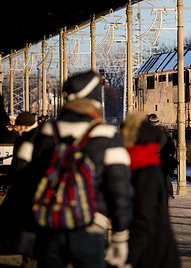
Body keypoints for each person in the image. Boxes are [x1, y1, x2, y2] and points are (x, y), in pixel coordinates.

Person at [9, 70, 133, 268]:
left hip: (49, 225)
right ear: (94, 100)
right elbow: (121, 190)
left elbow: (20, 173)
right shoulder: (107, 135)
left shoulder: (46, 132)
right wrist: (120, 235)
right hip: (91, 226)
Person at [121, 111, 181, 268]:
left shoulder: (143, 168)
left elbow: (144, 219)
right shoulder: (145, 163)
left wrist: (129, 257)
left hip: (151, 253)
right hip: (160, 250)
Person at [147, 113, 178, 199]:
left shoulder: (146, 133)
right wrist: (169, 155)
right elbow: (171, 147)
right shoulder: (165, 132)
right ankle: (168, 193)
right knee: (165, 176)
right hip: (164, 158)